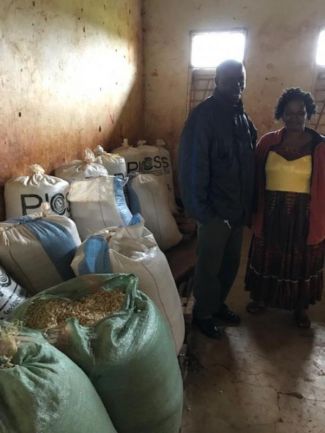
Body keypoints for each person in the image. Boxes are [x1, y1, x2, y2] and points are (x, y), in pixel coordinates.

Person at [178, 59, 257, 339]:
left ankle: (218, 305)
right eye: (231, 80)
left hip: (235, 211)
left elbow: (249, 168)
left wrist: (247, 208)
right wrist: (201, 212)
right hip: (213, 213)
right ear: (216, 82)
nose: (237, 85)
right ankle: (202, 314)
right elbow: (192, 168)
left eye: (241, 80)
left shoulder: (243, 120)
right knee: (208, 267)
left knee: (230, 263)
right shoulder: (203, 118)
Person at [245, 88, 325, 328]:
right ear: (281, 114)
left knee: (299, 260)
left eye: (300, 112)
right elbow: (255, 177)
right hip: (270, 211)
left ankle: (299, 307)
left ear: (308, 113)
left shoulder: (319, 146)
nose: (295, 118)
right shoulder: (268, 142)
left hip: (304, 214)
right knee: (268, 254)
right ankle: (262, 298)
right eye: (289, 113)